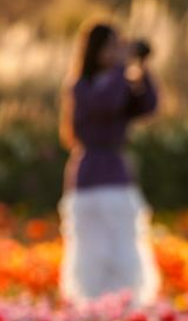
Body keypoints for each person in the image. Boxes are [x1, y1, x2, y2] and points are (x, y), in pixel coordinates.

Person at [59, 22, 160, 306]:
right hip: (90, 173)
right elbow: (108, 104)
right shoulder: (82, 86)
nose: (117, 53)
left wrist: (141, 68)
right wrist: (122, 68)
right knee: (91, 245)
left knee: (123, 242)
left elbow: (148, 105)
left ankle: (127, 300)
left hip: (117, 174)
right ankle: (90, 302)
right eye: (111, 47)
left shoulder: (120, 81)